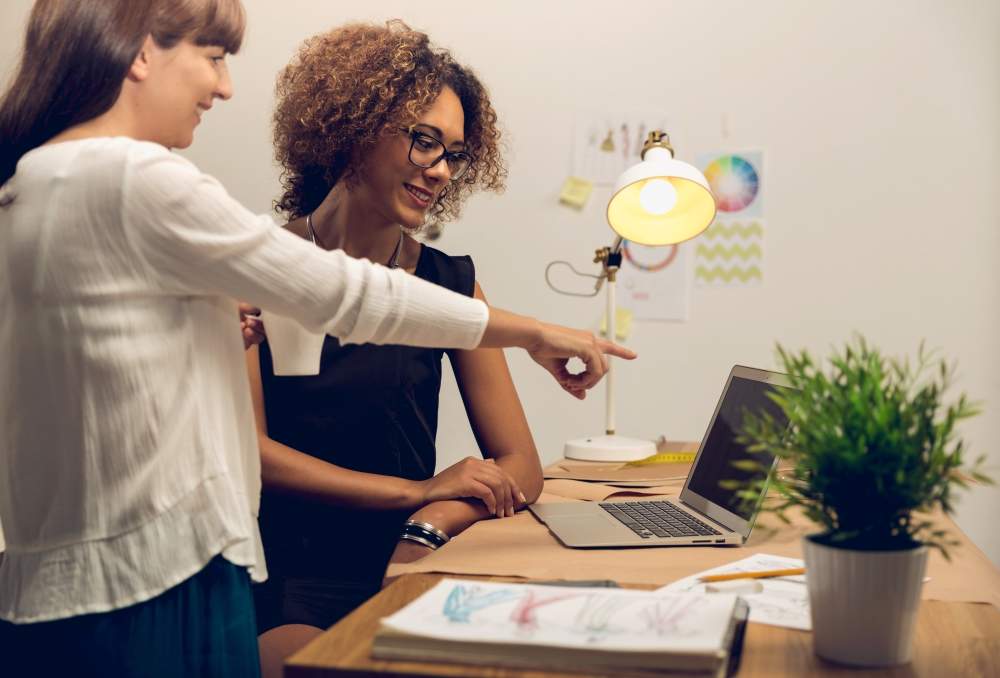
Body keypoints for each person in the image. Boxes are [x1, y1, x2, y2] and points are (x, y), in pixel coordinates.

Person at [0, 1, 634, 676]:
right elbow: (348, 294)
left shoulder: (31, 183)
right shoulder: (133, 179)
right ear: (141, 50)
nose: (224, 86)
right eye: (213, 58)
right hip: (165, 581)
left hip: (82, 580)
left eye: (454, 154)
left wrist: (426, 522)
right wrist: (534, 334)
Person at [248, 22, 550, 675]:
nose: (440, 170)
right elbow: (253, 454)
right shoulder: (256, 269)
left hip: (409, 559)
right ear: (353, 130)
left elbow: (522, 465)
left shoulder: (448, 283)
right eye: (424, 140)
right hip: (288, 572)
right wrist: (414, 491)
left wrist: (429, 523)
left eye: (453, 153)